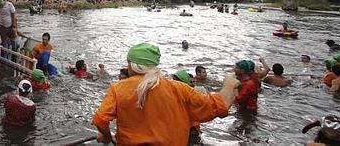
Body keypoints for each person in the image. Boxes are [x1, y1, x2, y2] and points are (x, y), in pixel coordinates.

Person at [92, 42, 239, 145]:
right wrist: (228, 85)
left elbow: (100, 120)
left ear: (132, 65)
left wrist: (106, 136)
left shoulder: (118, 89)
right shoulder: (179, 88)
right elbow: (217, 107)